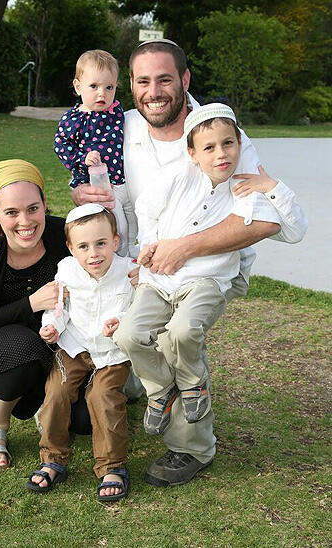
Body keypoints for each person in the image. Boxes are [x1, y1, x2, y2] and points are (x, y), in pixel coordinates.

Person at [70, 39, 307, 487]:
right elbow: (104, 182)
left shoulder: (219, 133)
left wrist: (184, 248)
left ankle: (191, 447)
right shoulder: (123, 126)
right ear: (130, 85)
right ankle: (149, 389)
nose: (153, 92)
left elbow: (263, 221)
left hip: (205, 268)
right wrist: (82, 189)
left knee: (177, 338)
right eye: (142, 81)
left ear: (184, 79)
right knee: (133, 333)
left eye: (164, 79)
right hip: (139, 260)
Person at [115, 103, 307, 440]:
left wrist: (271, 186)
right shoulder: (179, 177)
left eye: (228, 143)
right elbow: (146, 208)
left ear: (239, 143)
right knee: (128, 335)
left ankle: (193, 385)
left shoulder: (246, 187)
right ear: (192, 154)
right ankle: (161, 389)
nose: (221, 154)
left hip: (206, 280)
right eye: (209, 147)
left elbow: (293, 231)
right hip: (159, 280)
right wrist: (148, 245)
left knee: (182, 331)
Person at [0, 159, 91, 470]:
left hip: (55, 344)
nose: (25, 221)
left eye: (33, 208)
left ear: (44, 203)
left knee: (84, 421)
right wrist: (31, 303)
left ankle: (45, 405)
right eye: (11, 212)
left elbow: (100, 259)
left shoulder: (62, 234)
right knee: (23, 346)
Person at [26, 204, 135, 501]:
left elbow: (137, 307)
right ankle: (53, 459)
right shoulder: (67, 270)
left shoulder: (129, 271)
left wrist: (121, 322)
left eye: (101, 243)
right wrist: (51, 326)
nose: (93, 254)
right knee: (56, 392)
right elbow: (59, 306)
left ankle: (111, 466)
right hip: (74, 346)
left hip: (111, 352)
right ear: (72, 248)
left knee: (103, 397)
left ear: (115, 241)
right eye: (83, 246)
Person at [54, 49, 137, 257]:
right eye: (94, 86)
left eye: (109, 87)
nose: (102, 93)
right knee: (118, 225)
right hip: (100, 183)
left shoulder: (116, 111)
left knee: (134, 220)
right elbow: (61, 145)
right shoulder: (74, 119)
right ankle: (120, 258)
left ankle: (131, 253)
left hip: (124, 180)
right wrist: (82, 158)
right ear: (77, 86)